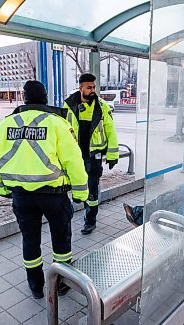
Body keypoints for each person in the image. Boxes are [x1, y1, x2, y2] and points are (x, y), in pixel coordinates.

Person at [0, 80, 88, 299]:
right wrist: (81, 193)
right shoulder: (57, 123)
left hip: (21, 197)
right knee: (61, 240)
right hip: (54, 196)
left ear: (24, 98)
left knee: (30, 240)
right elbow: (74, 161)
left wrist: (2, 188)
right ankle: (61, 284)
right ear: (45, 97)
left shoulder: (5, 125)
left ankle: (36, 287)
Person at [64, 73, 119, 235]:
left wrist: (112, 154)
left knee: (92, 190)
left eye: (94, 87)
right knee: (71, 186)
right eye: (89, 87)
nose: (93, 90)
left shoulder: (102, 106)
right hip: (74, 155)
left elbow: (111, 131)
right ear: (80, 88)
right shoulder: (68, 105)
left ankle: (90, 219)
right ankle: (70, 213)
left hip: (94, 155)